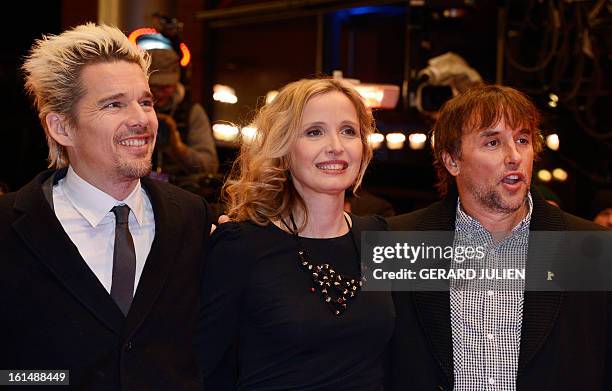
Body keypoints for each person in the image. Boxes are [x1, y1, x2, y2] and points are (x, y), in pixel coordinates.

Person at [0, 23, 212, 390]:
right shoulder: (9, 228)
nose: (142, 119)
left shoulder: (193, 218)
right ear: (62, 127)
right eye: (114, 104)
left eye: (145, 102)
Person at [388, 84, 611, 390]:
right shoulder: (402, 243)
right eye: (493, 142)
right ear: (452, 160)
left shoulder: (590, 248)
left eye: (522, 139)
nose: (514, 156)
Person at [197, 78, 395, 390]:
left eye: (349, 131)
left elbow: (430, 333)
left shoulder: (380, 234)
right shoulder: (240, 245)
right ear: (284, 148)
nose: (336, 146)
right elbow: (202, 368)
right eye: (314, 132)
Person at [147, 48, 219, 179]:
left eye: (166, 87)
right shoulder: (135, 111)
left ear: (176, 83)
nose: (159, 93)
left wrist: (179, 149)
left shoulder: (192, 112)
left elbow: (210, 166)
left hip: (179, 189)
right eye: (154, 86)